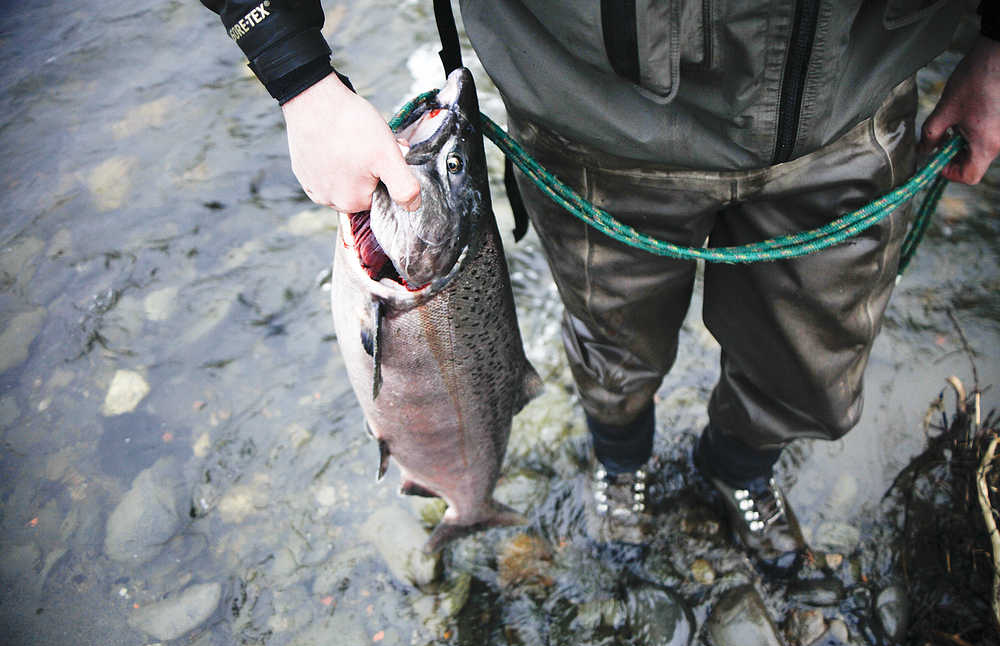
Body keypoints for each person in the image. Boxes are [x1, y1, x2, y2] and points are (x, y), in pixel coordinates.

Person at [203, 0, 1000, 566]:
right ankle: (622, 464)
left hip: (855, 108)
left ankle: (739, 470)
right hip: (590, 123)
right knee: (612, 350)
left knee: (814, 365)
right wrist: (298, 73)